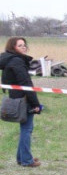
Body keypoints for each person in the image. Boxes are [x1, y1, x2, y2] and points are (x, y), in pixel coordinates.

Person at [0, 37, 44, 167]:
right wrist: (35, 104)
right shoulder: (17, 61)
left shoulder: (10, 59)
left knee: (25, 128)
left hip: (15, 96)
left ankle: (22, 157)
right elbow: (26, 84)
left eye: (24, 45)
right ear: (13, 47)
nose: (24, 47)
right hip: (23, 99)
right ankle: (26, 160)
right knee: (27, 129)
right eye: (20, 45)